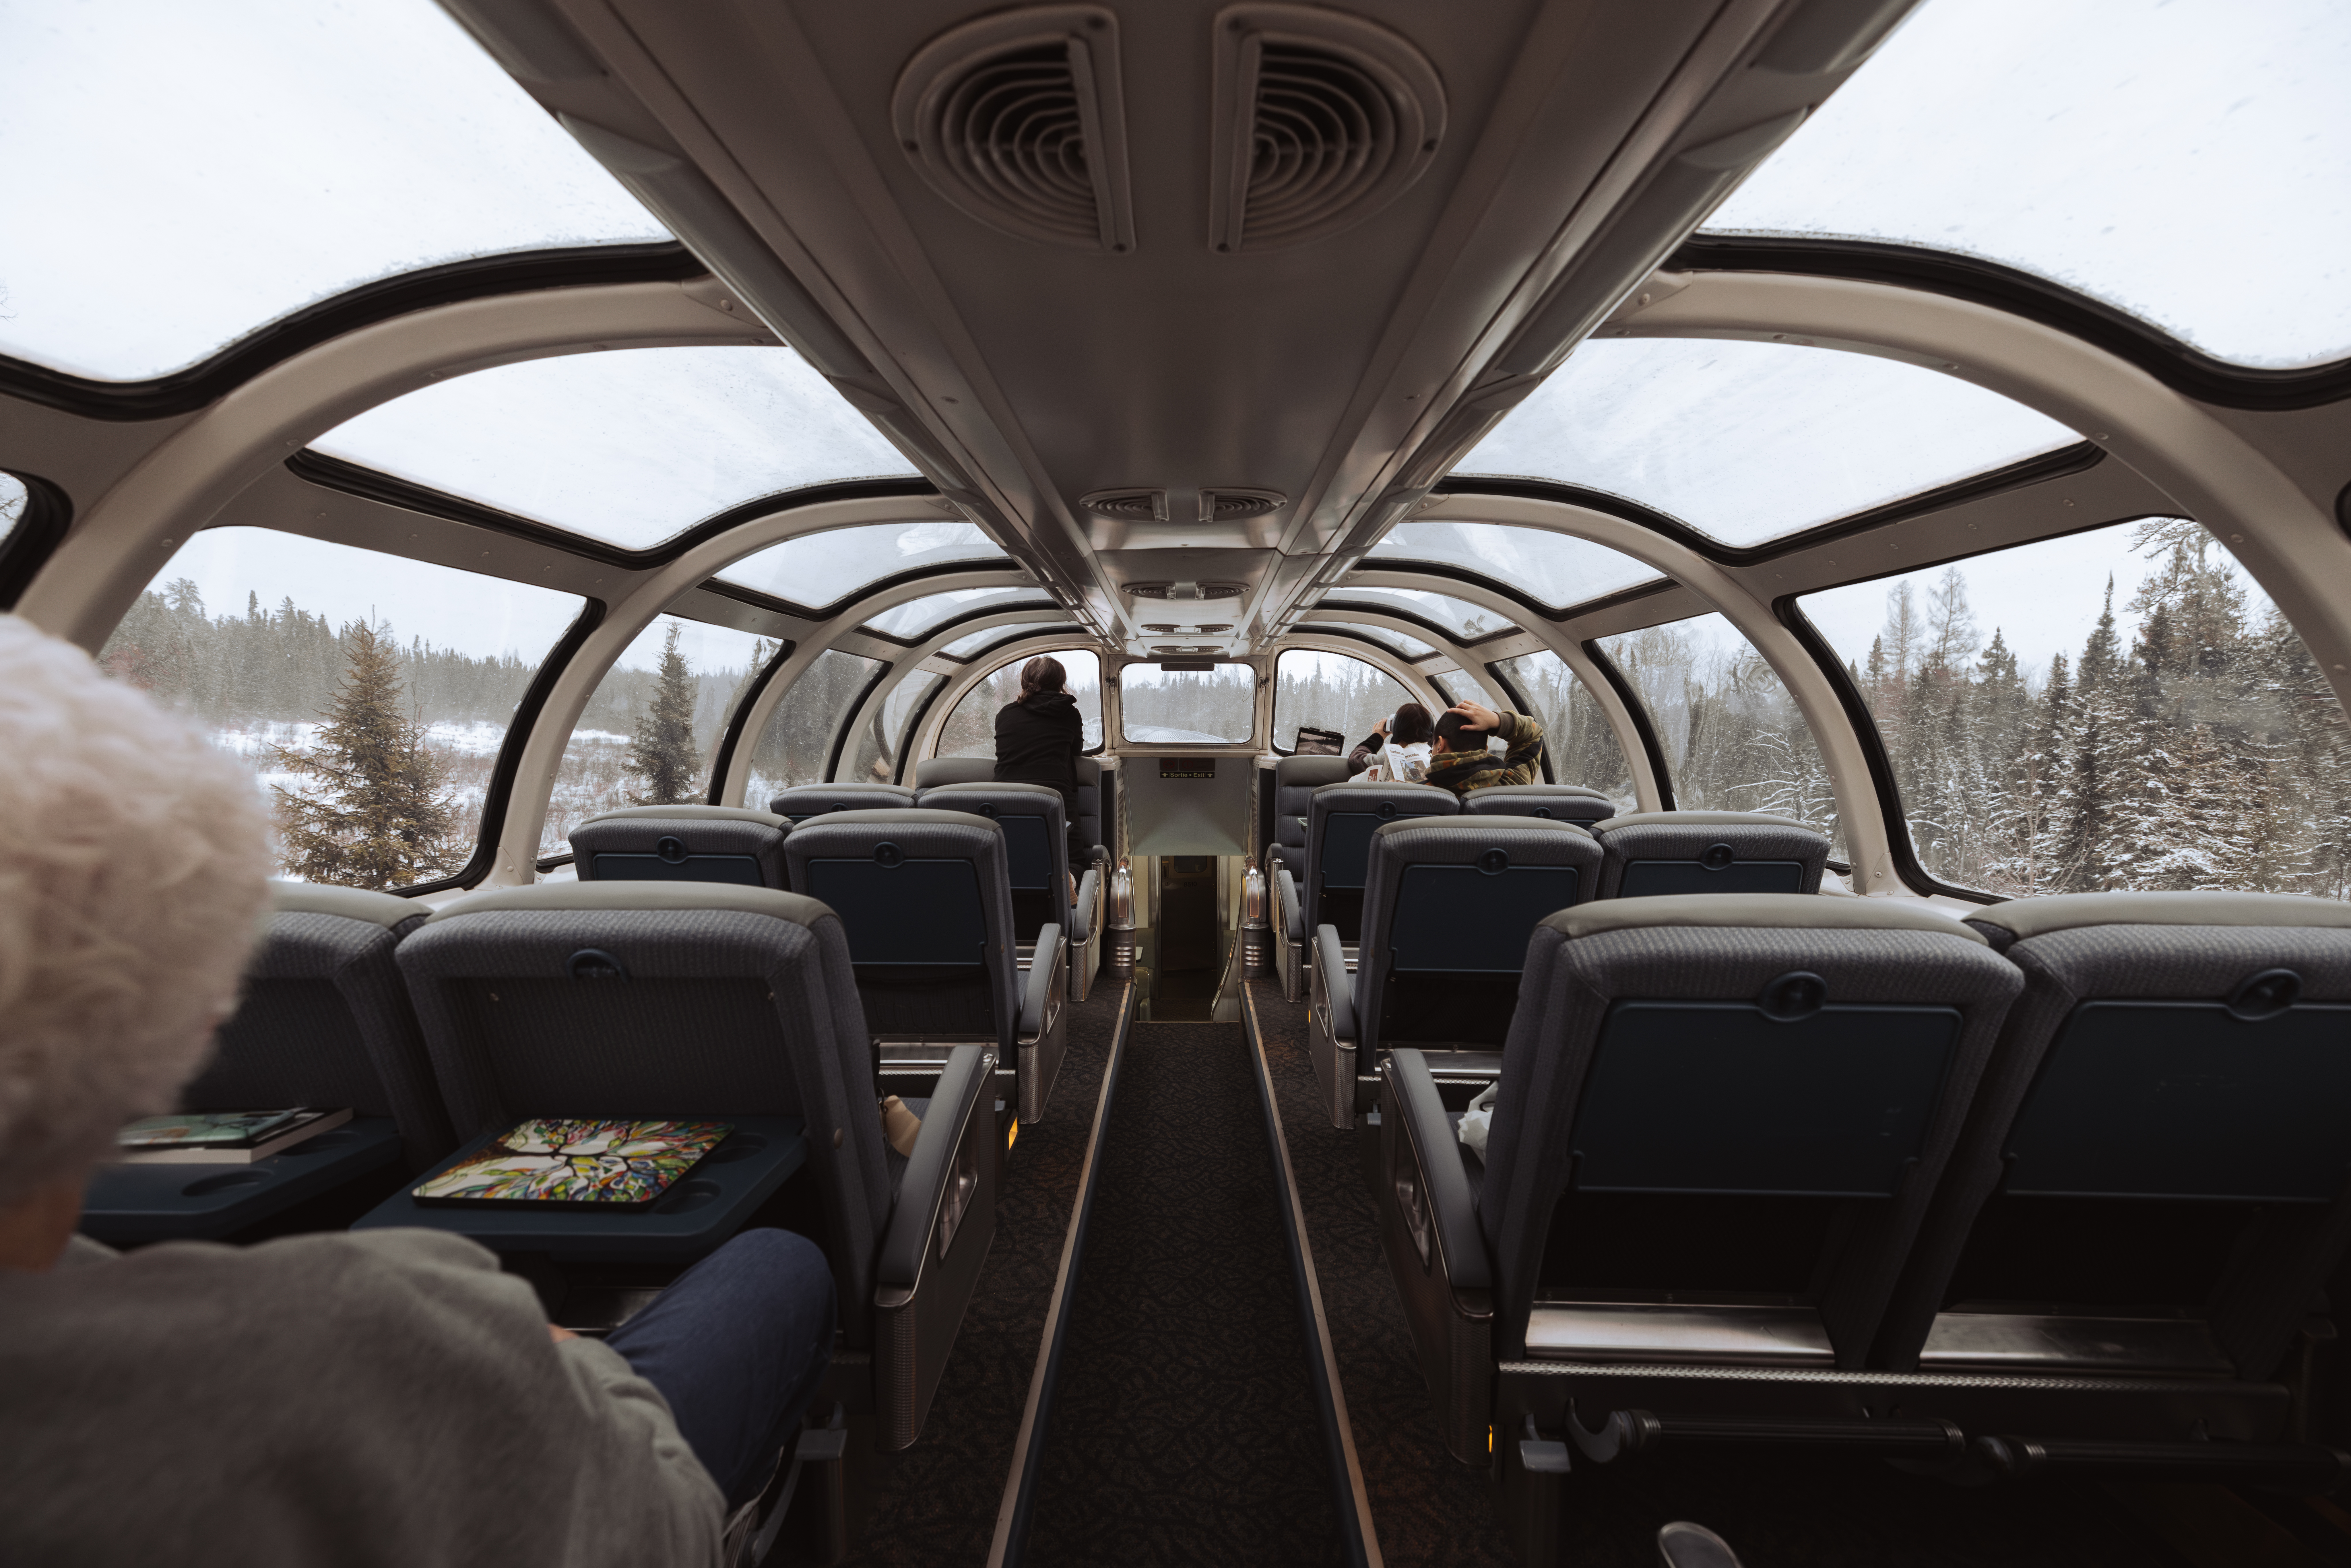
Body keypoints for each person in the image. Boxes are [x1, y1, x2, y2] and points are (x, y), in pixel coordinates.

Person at [0, 616, 833, 1567]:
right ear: (186, 1020)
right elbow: (655, 1530)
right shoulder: (363, 1335)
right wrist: (560, 1361)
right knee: (778, 1263)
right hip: (592, 1460)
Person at [994, 653, 1089, 877]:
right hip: (1054, 796)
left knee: (1009, 857)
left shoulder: (1005, 714)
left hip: (1003, 797)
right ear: (1060, 683)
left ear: (1025, 681)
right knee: (1073, 861)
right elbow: (1076, 751)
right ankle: (1068, 886)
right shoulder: (1069, 713)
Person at [1425, 698, 1547, 799]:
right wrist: (1496, 720)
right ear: (1486, 749)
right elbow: (1533, 733)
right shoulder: (1514, 784)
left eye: (1432, 750)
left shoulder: (1421, 795)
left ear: (1441, 745)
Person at [1351, 702, 1435, 783]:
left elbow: (1357, 759)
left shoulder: (1391, 760)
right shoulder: (1435, 758)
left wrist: (1377, 737)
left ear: (1396, 728)